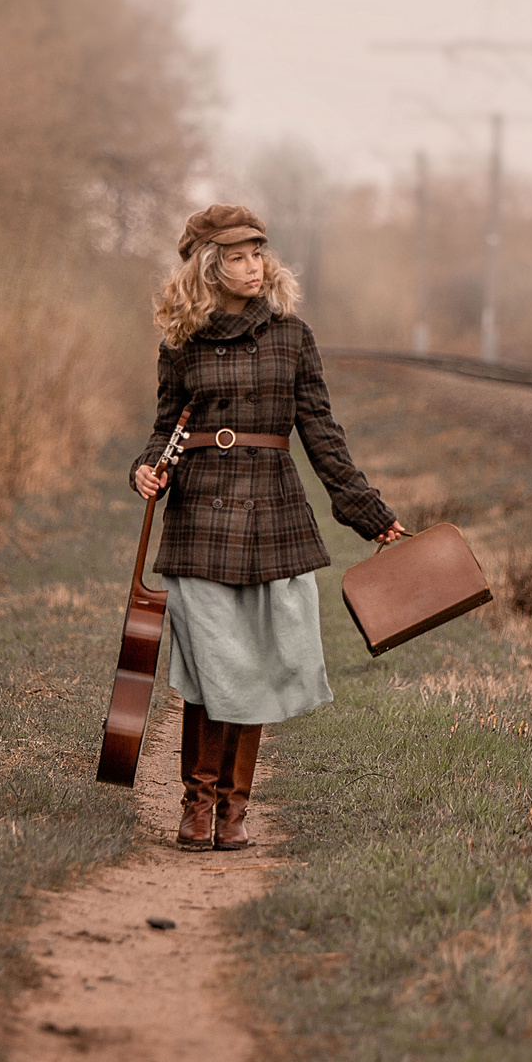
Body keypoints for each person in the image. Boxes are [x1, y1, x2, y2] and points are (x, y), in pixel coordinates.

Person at [132, 203, 403, 851]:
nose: (253, 266)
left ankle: (233, 811)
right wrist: (146, 467)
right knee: (207, 663)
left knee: (250, 666)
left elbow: (322, 436)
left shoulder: (292, 335)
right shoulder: (181, 341)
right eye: (236, 256)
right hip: (197, 514)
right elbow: (165, 424)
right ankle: (196, 804)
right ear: (209, 265)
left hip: (272, 516)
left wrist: (371, 514)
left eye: (258, 253)